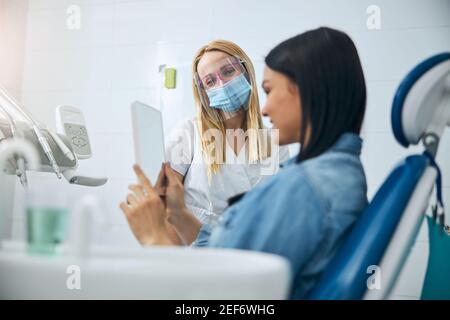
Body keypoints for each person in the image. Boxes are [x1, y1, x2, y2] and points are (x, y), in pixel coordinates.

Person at [120, 27, 368, 299]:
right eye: (210, 81)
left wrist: (152, 238)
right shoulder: (333, 174)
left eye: (270, 90)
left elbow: (227, 287)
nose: (265, 107)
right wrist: (177, 215)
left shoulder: (304, 184)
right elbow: (230, 254)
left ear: (306, 91)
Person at [162, 39, 289, 227]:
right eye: (210, 81)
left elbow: (282, 205)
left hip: (256, 249)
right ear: (204, 92)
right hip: (200, 250)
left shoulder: (274, 141)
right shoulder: (188, 132)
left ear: (246, 72)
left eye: (228, 71)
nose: (221, 84)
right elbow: (164, 201)